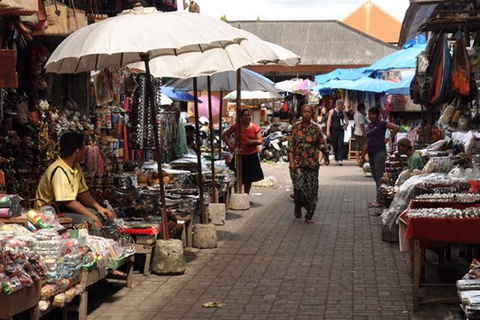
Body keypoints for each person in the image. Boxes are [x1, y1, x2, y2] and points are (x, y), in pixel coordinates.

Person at [36, 132, 115, 230]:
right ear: (77, 151)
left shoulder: (75, 167)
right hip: (50, 212)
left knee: (100, 215)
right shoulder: (59, 171)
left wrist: (99, 208)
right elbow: (69, 202)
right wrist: (93, 218)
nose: (85, 152)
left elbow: (82, 193)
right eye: (83, 149)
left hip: (64, 208)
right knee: (88, 221)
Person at [288, 105, 325, 223]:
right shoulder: (295, 128)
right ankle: (298, 205)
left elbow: (321, 144)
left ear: (312, 113)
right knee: (298, 187)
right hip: (298, 163)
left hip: (312, 164)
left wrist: (325, 154)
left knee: (312, 190)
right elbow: (290, 147)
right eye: (304, 112)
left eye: (309, 112)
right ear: (301, 113)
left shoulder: (316, 129)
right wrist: (292, 162)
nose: (306, 114)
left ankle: (309, 215)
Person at [360, 106, 399, 208]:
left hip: (380, 153)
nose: (371, 116)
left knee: (379, 177)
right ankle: (381, 197)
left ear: (377, 115)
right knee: (375, 175)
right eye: (370, 114)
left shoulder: (381, 124)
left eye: (373, 114)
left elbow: (396, 127)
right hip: (371, 153)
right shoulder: (368, 126)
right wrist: (362, 157)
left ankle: (379, 200)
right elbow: (366, 143)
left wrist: (388, 138)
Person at [222, 108, 264, 194]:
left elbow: (260, 141)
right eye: (245, 115)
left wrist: (253, 142)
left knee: (249, 178)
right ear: (241, 117)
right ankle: (237, 194)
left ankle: (246, 195)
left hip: (251, 155)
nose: (248, 117)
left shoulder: (255, 127)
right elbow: (224, 135)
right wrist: (230, 146)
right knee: (237, 176)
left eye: (249, 115)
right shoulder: (236, 126)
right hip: (239, 155)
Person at [326, 100, 349, 166]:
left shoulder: (343, 112)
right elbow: (329, 121)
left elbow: (346, 120)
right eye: (342, 105)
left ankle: (340, 159)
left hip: (340, 130)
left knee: (340, 144)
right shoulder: (332, 111)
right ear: (338, 104)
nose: (343, 106)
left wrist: (345, 126)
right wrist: (328, 131)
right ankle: (336, 159)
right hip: (333, 130)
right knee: (335, 144)